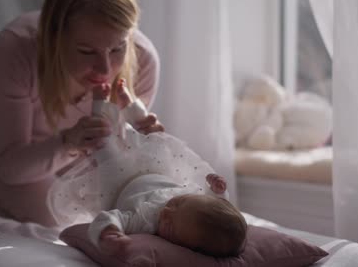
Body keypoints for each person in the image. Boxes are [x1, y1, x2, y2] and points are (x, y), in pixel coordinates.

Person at [0, 0, 163, 226]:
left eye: (118, 48)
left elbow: (115, 158)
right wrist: (69, 143)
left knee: (139, 213)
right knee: (63, 220)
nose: (105, 69)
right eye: (86, 51)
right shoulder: (17, 49)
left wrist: (145, 143)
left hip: (80, 162)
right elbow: (10, 166)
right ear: (55, 40)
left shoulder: (143, 59)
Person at [49, 82, 247, 257]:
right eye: (180, 201)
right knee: (154, 138)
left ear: (185, 248)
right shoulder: (195, 204)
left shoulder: (145, 222)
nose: (168, 209)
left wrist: (110, 232)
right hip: (155, 170)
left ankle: (98, 106)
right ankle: (132, 106)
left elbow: (111, 217)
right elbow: (217, 204)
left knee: (103, 146)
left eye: (170, 225)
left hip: (118, 186)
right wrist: (218, 190)